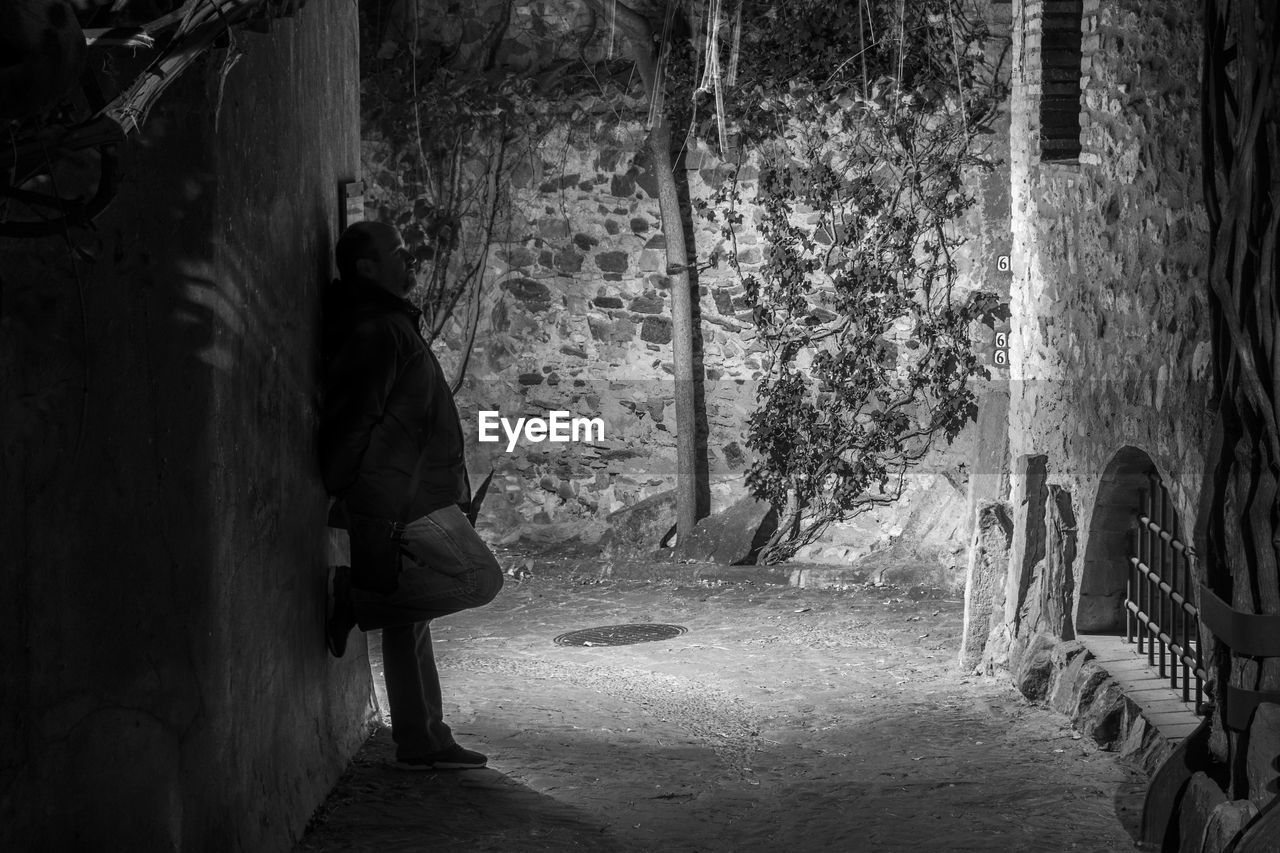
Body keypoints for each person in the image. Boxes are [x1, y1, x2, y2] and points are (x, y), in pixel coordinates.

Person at [319, 220, 503, 771]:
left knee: (408, 617)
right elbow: (354, 419)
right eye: (397, 253)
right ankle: (353, 600)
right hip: (406, 498)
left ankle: (422, 740)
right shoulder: (376, 329)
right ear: (366, 268)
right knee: (479, 578)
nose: (410, 260)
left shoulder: (389, 322)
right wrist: (347, 487)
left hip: (411, 490)